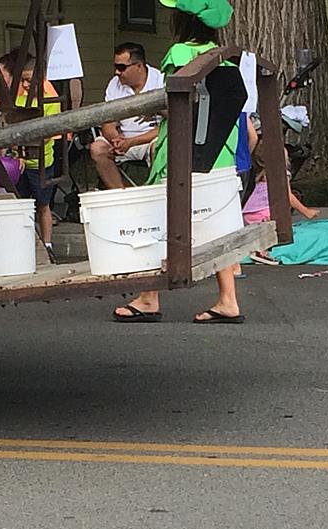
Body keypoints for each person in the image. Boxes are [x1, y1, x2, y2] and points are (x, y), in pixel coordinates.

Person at [113, 0, 245, 325]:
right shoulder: (223, 55)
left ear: (181, 20)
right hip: (219, 149)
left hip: (182, 149)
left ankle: (148, 297)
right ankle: (228, 299)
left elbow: (179, 101)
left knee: (159, 215)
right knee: (216, 222)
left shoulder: (180, 54)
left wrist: (156, 110)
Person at [0, 51, 62, 254]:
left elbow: (49, 132)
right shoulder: (16, 98)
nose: (25, 85)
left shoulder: (50, 99)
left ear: (40, 79)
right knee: (22, 203)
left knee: (43, 204)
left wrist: (23, 150)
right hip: (19, 162)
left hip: (42, 161)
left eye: (28, 81)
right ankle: (25, 243)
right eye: (23, 80)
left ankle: (48, 244)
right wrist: (16, 154)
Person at [90, 43, 165, 189]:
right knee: (97, 148)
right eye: (115, 67)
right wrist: (115, 139)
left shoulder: (160, 82)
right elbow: (108, 122)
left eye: (122, 67)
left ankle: (156, 195)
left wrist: (132, 142)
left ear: (138, 66)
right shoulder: (114, 84)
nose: (117, 72)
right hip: (123, 140)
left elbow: (166, 127)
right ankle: (121, 196)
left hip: (150, 139)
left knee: (160, 147)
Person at [245, 138, 319, 265]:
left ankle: (255, 245)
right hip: (265, 213)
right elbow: (287, 195)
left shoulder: (256, 173)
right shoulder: (281, 174)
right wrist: (306, 211)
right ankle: (262, 251)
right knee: (275, 227)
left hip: (247, 213)